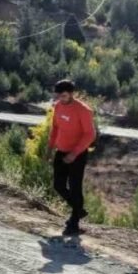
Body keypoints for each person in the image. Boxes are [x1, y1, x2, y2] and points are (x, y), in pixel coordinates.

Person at [48, 79, 96, 235]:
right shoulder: (57, 106)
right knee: (58, 185)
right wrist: (50, 148)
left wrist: (74, 154)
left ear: (71, 93)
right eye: (59, 96)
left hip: (78, 154)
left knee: (75, 188)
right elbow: (55, 128)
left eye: (64, 95)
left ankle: (74, 223)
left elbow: (90, 134)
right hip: (61, 151)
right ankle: (79, 209)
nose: (61, 98)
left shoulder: (83, 110)